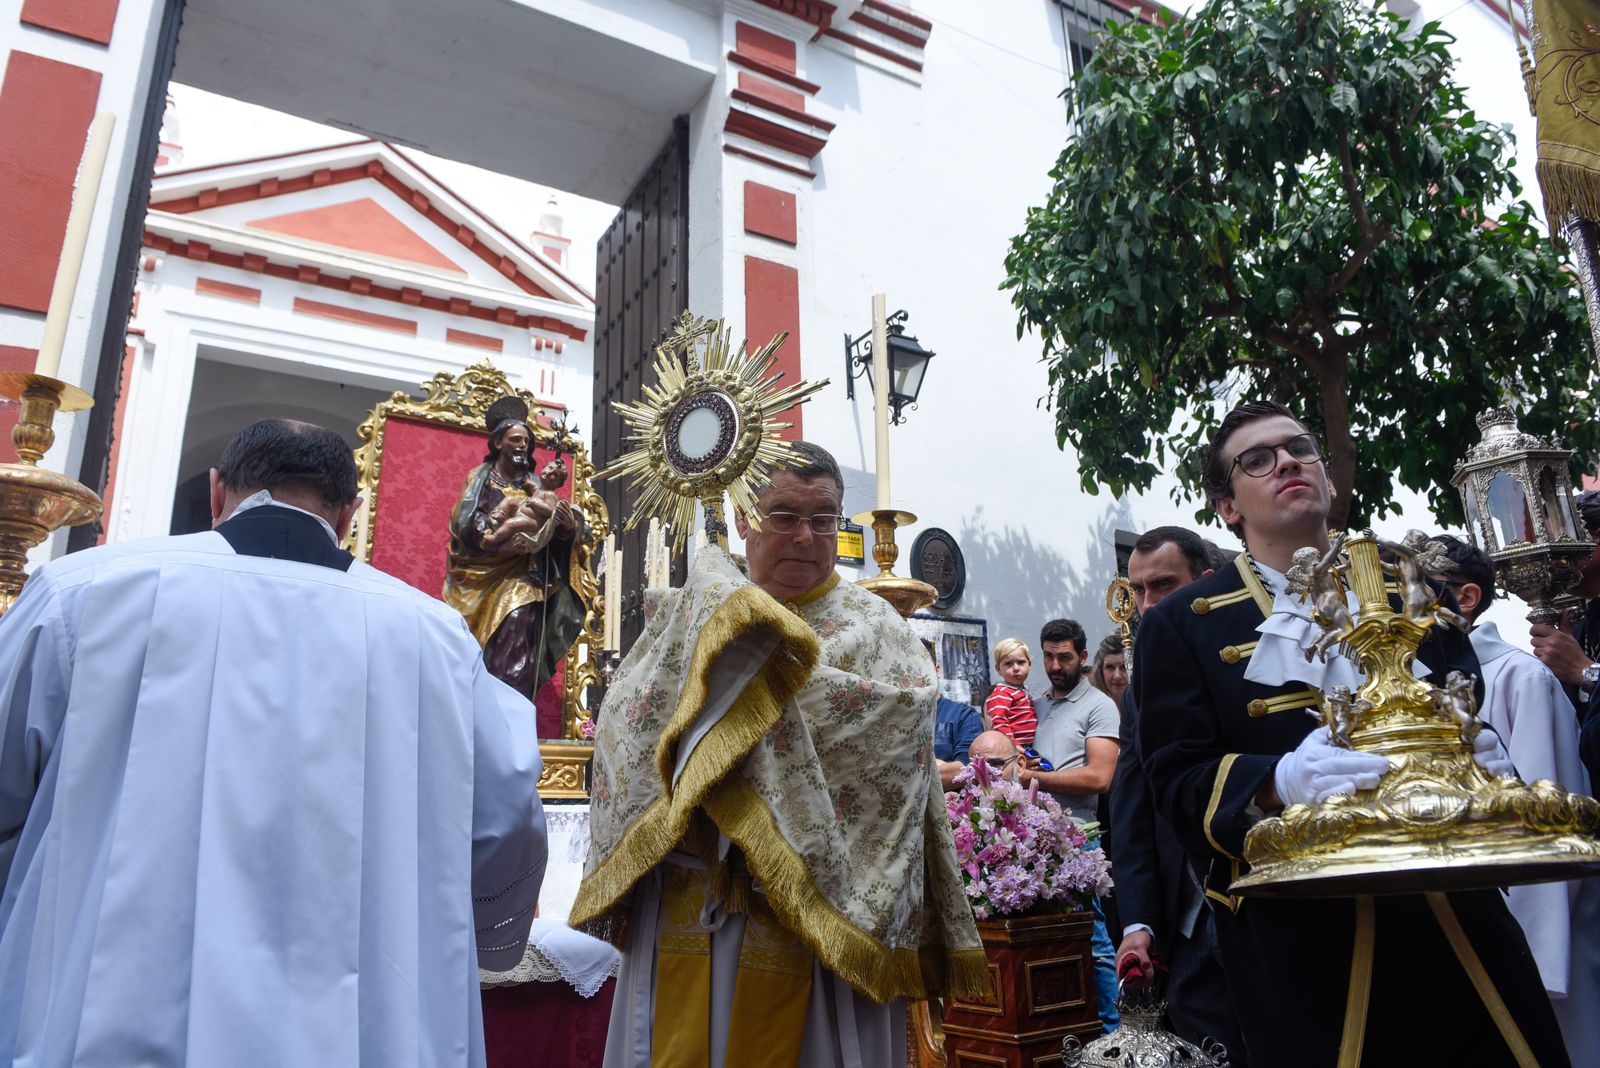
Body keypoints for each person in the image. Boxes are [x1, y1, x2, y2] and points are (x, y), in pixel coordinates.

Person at [0, 419, 547, 1067]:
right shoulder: (436, 636)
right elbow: (508, 811)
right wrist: (464, 927)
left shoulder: (83, 591)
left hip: (108, 1008)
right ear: (350, 512)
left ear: (215, 492)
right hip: (365, 1025)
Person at [1136, 399, 1567, 1066]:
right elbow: (1176, 784)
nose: (1285, 462)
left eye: (1299, 449)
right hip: (1306, 945)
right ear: (1228, 505)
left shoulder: (1412, 589)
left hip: (1454, 914)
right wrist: (1278, 781)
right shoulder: (1183, 625)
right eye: (1257, 459)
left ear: (1329, 479)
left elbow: (1465, 716)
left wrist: (1477, 761)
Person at [573, 441, 985, 1067]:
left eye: (823, 519)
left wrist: (731, 719)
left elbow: (888, 750)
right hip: (694, 890)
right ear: (744, 519)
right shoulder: (694, 615)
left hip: (821, 919)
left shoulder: (879, 632)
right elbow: (628, 726)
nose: (805, 536)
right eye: (784, 515)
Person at [1431, 534, 1600, 1064]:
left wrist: (1531, 957)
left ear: (1465, 598)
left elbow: (1546, 822)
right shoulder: (1416, 685)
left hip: (1528, 932)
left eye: (1415, 591)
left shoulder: (1517, 678)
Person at [1108, 526, 1245, 1063]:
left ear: (1205, 584)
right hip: (1186, 927)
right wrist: (1138, 921)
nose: (1147, 605)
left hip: (1267, 907)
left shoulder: (1256, 662)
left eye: (1162, 585)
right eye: (1138, 590)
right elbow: (1134, 810)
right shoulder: (1139, 692)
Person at [444, 395, 586, 706]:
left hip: (524, 577)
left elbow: (559, 535)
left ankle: (507, 709)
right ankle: (478, 706)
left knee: (519, 627)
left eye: (526, 440)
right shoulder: (480, 479)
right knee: (466, 648)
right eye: (516, 439)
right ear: (498, 444)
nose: (522, 445)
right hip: (479, 574)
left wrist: (564, 527)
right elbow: (465, 522)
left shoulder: (536, 485)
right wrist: (492, 537)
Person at [1023, 617, 1120, 1030]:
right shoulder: (1040, 704)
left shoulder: (1099, 705)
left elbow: (1099, 777)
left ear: (1083, 657)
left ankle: (1116, 1031)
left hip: (1079, 839)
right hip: (1036, 842)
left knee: (1094, 942)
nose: (1055, 664)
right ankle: (1069, 1026)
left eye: (1064, 656)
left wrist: (1035, 777)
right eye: (1048, 655)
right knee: (1048, 943)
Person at [927, 640, 985, 790]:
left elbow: (966, 771)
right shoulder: (893, 718)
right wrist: (939, 765)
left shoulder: (964, 716)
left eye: (923, 667)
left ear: (937, 670)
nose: (917, 676)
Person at [986, 638, 1037, 749]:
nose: (1016, 668)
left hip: (1030, 746)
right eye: (1008, 664)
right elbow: (998, 721)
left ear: (1029, 664)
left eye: (1021, 662)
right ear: (998, 669)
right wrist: (1013, 745)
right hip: (1015, 747)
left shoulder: (1022, 691)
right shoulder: (1001, 692)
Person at [1090, 632, 1129, 708]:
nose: (1117, 676)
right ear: (1100, 672)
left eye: (1124, 667)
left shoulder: (1152, 711)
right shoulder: (1089, 712)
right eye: (1110, 667)